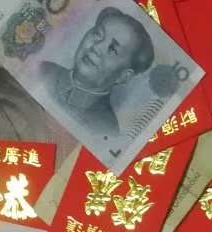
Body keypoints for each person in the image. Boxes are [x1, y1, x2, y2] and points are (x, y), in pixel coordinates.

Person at [39, 7, 155, 138]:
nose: (96, 47)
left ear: (123, 76)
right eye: (98, 34)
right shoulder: (43, 70)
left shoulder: (105, 129)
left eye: (113, 49)